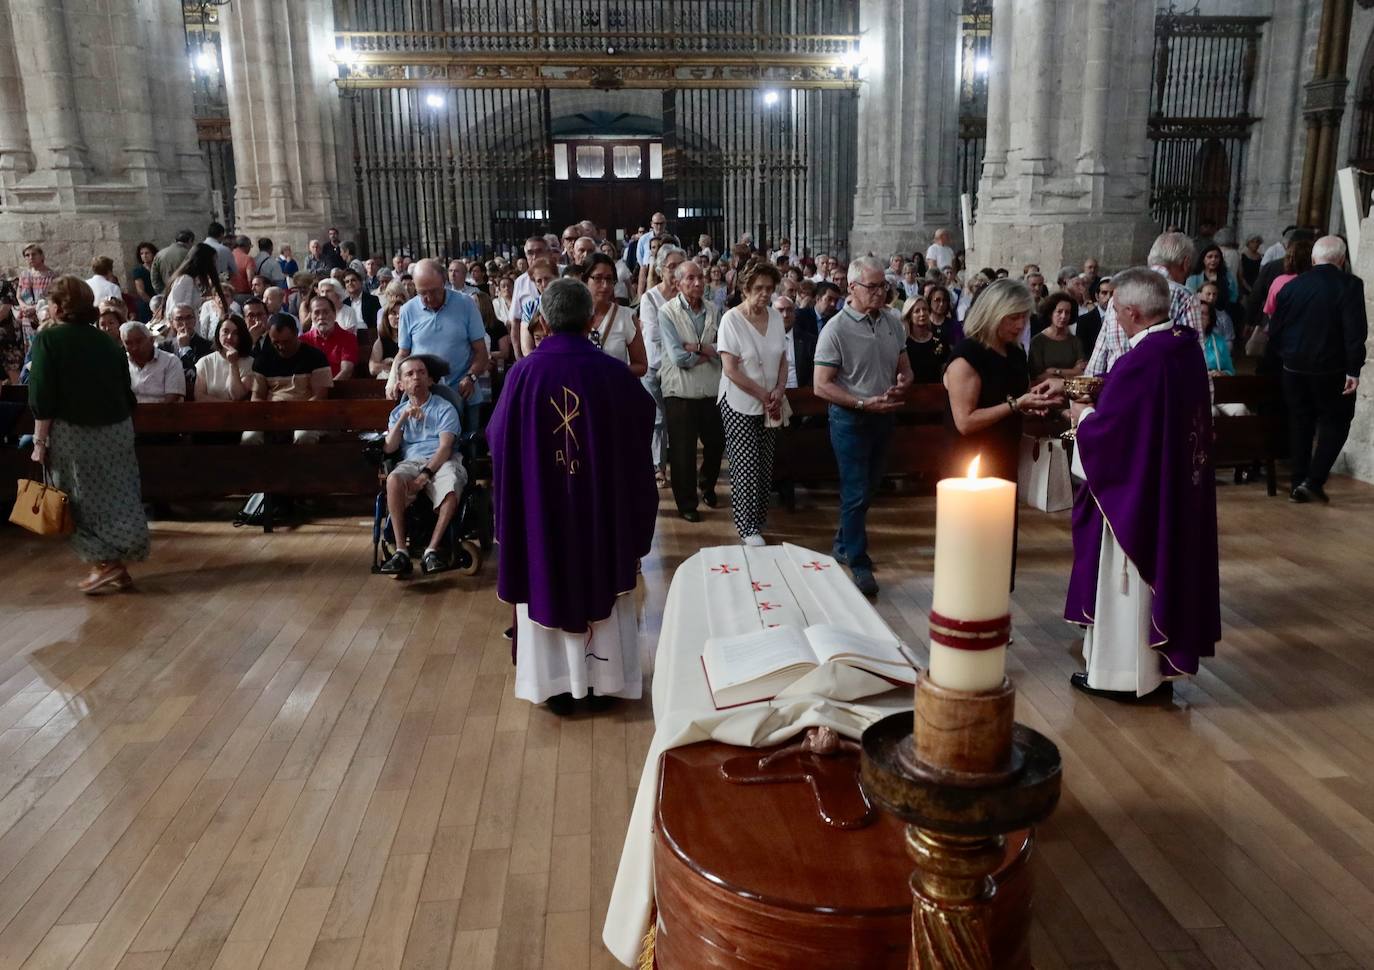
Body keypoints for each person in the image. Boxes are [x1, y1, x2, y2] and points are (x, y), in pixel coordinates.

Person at [487, 277, 658, 715]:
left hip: (542, 510)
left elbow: (496, 437)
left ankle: (555, 682)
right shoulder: (613, 374)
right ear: (589, 320)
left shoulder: (523, 374)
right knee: (600, 574)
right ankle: (605, 682)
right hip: (600, 510)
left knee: (548, 573)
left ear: (542, 321)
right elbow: (643, 425)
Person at [1065, 267, 1220, 700]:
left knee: (1128, 581)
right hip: (1172, 487)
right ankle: (1152, 674)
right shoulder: (1184, 348)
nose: (1113, 316)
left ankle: (1122, 676)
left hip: (1140, 494)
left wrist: (1083, 417)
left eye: (1115, 310)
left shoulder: (1142, 362)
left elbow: (1110, 434)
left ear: (1132, 312)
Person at [27, 277, 148, 593]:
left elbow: (42, 397)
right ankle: (114, 565)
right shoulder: (107, 341)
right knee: (118, 497)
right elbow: (126, 390)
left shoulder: (49, 341)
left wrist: (39, 443)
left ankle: (107, 564)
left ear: (56, 307)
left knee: (71, 501)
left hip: (74, 434)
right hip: (117, 430)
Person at [813, 256, 914, 597]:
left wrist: (903, 383)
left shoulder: (893, 322)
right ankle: (857, 559)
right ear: (852, 288)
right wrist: (860, 402)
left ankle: (844, 542)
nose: (880, 293)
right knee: (855, 489)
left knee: (869, 487)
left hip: (883, 414)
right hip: (851, 418)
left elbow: (906, 368)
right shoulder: (835, 329)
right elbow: (820, 385)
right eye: (872, 287)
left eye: (883, 286)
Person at [1268, 235, 1368, 504]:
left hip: (1294, 369)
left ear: (1313, 259)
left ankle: (1298, 481)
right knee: (1336, 423)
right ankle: (1313, 480)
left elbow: (1275, 330)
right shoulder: (1349, 285)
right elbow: (1355, 332)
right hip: (1331, 371)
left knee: (1300, 424)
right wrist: (1353, 370)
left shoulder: (1291, 287)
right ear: (1342, 260)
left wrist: (1287, 357)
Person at [945, 279, 1056, 487]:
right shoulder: (967, 356)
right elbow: (965, 422)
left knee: (1004, 518)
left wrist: (1032, 404)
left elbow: (1011, 397)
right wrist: (1017, 405)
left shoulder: (1014, 352)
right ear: (993, 313)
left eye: (1024, 317)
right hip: (971, 461)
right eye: (1013, 317)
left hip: (1006, 452)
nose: (1021, 325)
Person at [377, 355, 468, 578]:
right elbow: (389, 448)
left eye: (421, 373)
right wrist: (403, 418)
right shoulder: (398, 413)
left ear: (429, 380)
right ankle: (401, 551)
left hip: (442, 460)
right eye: (409, 374)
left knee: (452, 483)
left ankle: (432, 550)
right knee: (393, 480)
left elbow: (446, 447)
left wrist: (425, 475)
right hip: (411, 461)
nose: (416, 377)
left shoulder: (444, 408)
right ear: (400, 384)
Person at [717, 262, 788, 545]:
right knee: (746, 463)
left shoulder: (776, 316)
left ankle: (758, 519)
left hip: (772, 400)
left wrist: (780, 391)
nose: (764, 294)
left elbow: (783, 358)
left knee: (765, 462)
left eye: (769, 289)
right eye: (758, 288)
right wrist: (763, 394)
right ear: (745, 288)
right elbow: (731, 369)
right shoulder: (731, 320)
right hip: (739, 401)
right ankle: (746, 527)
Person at [657, 259, 725, 522]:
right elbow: (678, 358)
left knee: (716, 444)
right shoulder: (668, 312)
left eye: (700, 278)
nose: (697, 283)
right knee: (683, 452)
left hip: (711, 389)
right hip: (680, 392)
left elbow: (723, 348)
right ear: (678, 282)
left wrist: (696, 347)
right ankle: (687, 503)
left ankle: (706, 485)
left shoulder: (714, 309)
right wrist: (708, 350)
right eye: (690, 278)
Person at [389, 259, 489, 433]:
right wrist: (393, 379)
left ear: (444, 281)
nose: (428, 298)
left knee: (468, 446)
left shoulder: (466, 304)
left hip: (462, 389)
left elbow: (481, 351)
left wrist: (471, 377)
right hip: (424, 394)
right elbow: (403, 353)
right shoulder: (407, 310)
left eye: (434, 291)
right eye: (422, 293)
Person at [1086, 232, 1202, 376]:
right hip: (1158, 391)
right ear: (1186, 263)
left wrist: (1087, 391)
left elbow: (1099, 357)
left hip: (1115, 387)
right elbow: (1195, 362)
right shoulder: (1185, 297)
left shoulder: (1119, 294)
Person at [242, 314, 333, 444]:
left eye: (286, 342)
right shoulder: (262, 360)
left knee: (304, 434)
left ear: (296, 333)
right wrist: (270, 418)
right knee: (249, 437)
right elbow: (257, 397)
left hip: (308, 416)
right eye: (276, 342)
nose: (281, 347)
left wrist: (293, 416)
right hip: (271, 417)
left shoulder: (315, 357)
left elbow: (319, 397)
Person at [640, 246, 686, 488]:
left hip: (680, 367)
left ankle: (680, 467)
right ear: (660, 270)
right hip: (655, 366)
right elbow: (656, 335)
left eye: (680, 265)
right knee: (658, 420)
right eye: (671, 266)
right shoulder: (650, 298)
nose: (676, 270)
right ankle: (659, 467)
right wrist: (686, 342)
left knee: (678, 419)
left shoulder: (686, 298)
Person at [585, 254, 647, 376]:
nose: (605, 285)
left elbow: (641, 366)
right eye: (598, 278)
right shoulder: (573, 316)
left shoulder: (626, 316)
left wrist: (612, 370)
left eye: (609, 279)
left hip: (615, 391)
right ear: (585, 279)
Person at [164, 243, 225, 334]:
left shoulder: (190, 280)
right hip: (184, 334)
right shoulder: (186, 280)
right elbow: (178, 309)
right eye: (212, 261)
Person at [1029, 292, 1086, 383]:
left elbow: (1080, 372)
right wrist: (1070, 373)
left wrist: (1056, 371)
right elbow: (1039, 376)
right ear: (1050, 313)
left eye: (1067, 313)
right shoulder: (1038, 341)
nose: (1063, 316)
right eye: (1059, 312)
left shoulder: (1075, 341)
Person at [122, 321, 185, 403]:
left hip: (163, 413)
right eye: (128, 343)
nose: (134, 347)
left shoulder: (170, 361)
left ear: (151, 340)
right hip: (131, 413)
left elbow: (171, 400)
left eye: (139, 341)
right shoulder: (123, 362)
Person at [195, 315, 253, 401]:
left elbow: (237, 396)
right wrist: (226, 406)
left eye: (235, 333)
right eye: (225, 331)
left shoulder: (250, 362)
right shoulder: (205, 362)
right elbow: (199, 396)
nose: (230, 337)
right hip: (211, 412)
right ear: (218, 333)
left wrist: (233, 364)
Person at [300, 294, 359, 379]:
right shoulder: (303, 340)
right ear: (311, 316)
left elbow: (346, 371)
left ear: (334, 315)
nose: (321, 317)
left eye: (326, 312)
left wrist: (328, 389)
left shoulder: (348, 338)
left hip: (339, 388)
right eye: (316, 312)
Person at [159, 302, 213, 392]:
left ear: (195, 320)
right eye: (179, 319)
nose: (185, 323)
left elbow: (195, 374)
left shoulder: (208, 346)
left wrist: (185, 349)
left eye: (189, 318)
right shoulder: (164, 347)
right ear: (172, 323)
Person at [901, 296, 951, 383]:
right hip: (911, 391)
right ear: (909, 316)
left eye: (925, 309)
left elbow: (946, 368)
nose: (922, 314)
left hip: (935, 390)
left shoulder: (939, 340)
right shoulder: (904, 343)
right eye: (917, 311)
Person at [370, 288, 405, 379]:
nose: (398, 317)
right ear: (386, 317)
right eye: (393, 313)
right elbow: (373, 368)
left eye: (401, 314)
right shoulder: (381, 340)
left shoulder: (411, 338)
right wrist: (388, 367)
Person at [1075, 275, 1111, 360]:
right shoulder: (1084, 321)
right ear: (1097, 296)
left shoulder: (1123, 318)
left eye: (1112, 293)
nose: (1109, 297)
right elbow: (1081, 351)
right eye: (1104, 293)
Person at [151, 230, 194, 295]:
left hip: (167, 293)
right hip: (186, 294)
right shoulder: (190, 254)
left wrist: (163, 292)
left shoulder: (160, 254)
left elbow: (154, 278)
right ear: (190, 240)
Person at [128, 243, 157, 319]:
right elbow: (141, 291)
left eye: (147, 253)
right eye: (142, 253)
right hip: (147, 304)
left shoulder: (158, 269)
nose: (144, 256)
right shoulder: (138, 271)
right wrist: (152, 304)